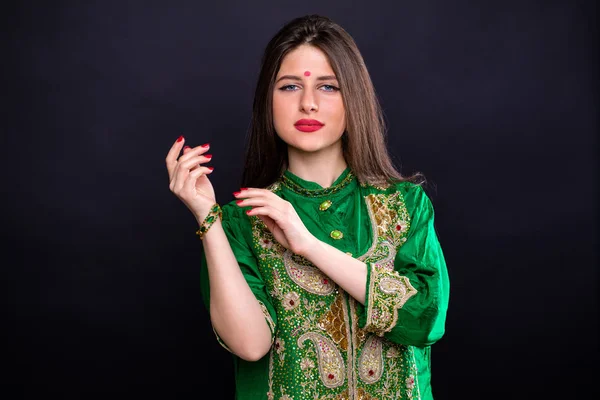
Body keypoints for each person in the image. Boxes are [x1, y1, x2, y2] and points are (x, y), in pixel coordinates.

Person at [166, 14, 449, 400]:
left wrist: (309, 244)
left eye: (328, 87)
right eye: (289, 86)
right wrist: (206, 217)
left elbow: (424, 320)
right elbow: (250, 345)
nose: (308, 104)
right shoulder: (241, 221)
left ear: (355, 98)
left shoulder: (404, 205)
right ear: (268, 101)